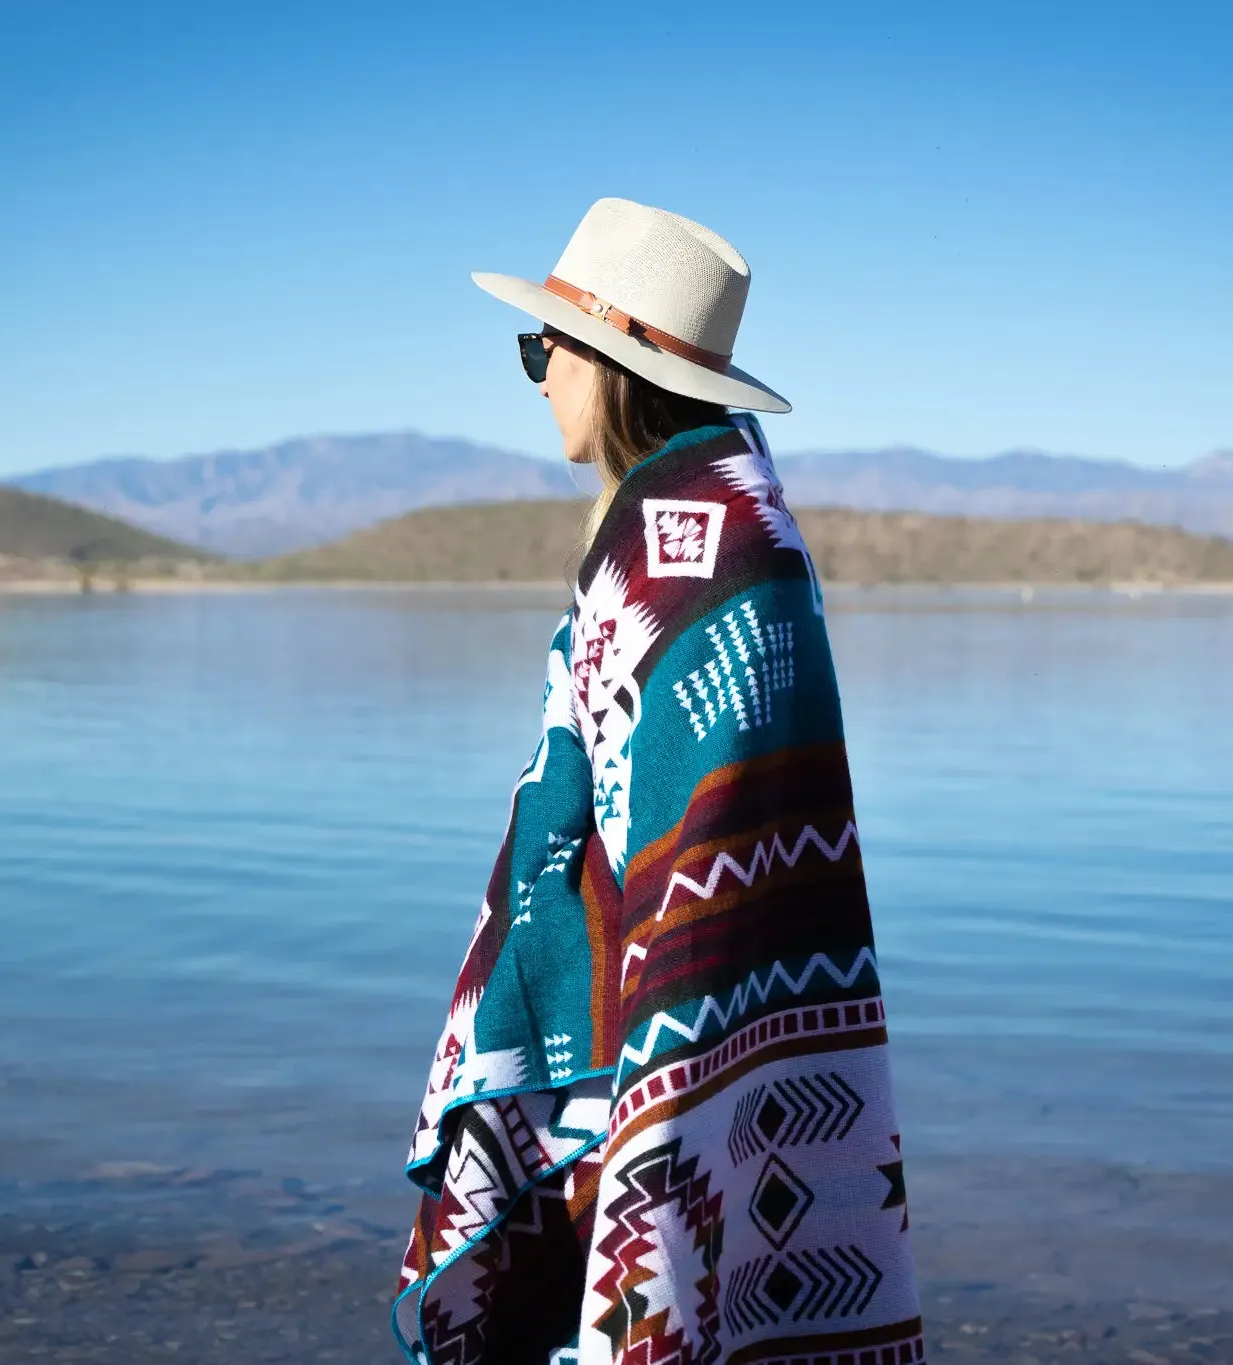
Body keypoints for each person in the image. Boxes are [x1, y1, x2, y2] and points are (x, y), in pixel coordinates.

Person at [393, 198, 923, 1365]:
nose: (534, 379)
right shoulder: (712, 517)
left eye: (544, 350)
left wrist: (646, 1063)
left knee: (668, 1301)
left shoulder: (701, 537)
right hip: (679, 1009)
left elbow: (699, 828)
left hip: (679, 1021)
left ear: (610, 362)